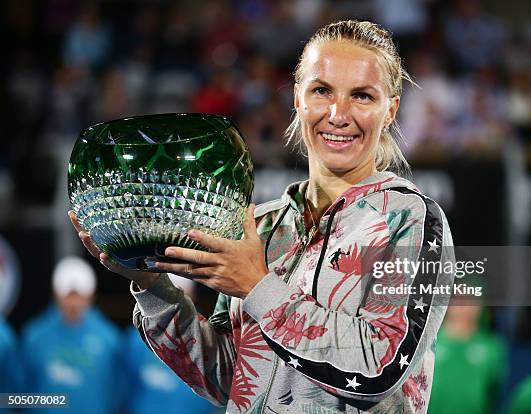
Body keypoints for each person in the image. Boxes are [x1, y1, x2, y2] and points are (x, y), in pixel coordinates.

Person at [69, 20, 455, 413]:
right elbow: (227, 379)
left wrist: (258, 287)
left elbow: (380, 367)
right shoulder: (262, 226)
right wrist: (151, 285)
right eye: (321, 91)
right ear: (297, 98)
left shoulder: (413, 220)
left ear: (390, 109)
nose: (338, 114)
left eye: (362, 96)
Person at [21, 256, 124, 414]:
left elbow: (118, 392)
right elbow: (22, 390)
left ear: (91, 295)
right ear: (56, 293)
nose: (73, 303)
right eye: (68, 295)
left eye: (79, 295)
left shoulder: (109, 338)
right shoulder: (34, 335)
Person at [123, 274, 222, 414]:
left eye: (177, 293)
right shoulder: (136, 338)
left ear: (191, 295)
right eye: (163, 294)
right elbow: (124, 385)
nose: (168, 302)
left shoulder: (211, 333)